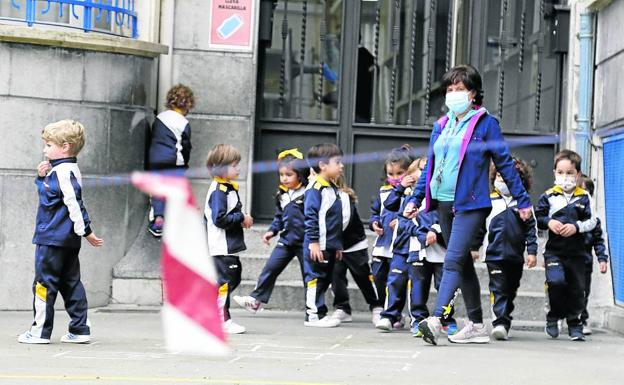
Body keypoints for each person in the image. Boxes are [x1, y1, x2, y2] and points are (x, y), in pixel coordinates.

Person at [404, 64, 533, 345]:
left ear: (473, 93)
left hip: (471, 204)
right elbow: (430, 166)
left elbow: (504, 164)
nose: (453, 94)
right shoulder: (442, 125)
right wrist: (417, 198)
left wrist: (523, 200)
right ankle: (475, 325)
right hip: (442, 202)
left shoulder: (486, 124)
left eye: (459, 89)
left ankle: (436, 320)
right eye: (449, 90)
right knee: (461, 264)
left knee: (452, 259)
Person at [19, 119, 104, 344]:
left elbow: (74, 203)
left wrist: (86, 231)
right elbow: (51, 197)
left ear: (64, 146)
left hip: (52, 238)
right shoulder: (63, 170)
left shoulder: (64, 172)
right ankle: (79, 329)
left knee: (43, 284)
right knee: (70, 282)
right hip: (65, 239)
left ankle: (39, 332)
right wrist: (41, 177)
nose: (44, 149)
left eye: (48, 145)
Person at [233, 149, 308, 314]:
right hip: (286, 241)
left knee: (309, 276)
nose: (284, 178)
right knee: (270, 268)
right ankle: (255, 300)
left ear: (300, 175)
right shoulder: (282, 194)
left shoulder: (309, 194)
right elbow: (279, 217)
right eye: (282, 175)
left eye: (289, 175)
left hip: (305, 243)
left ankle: (315, 309)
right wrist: (272, 231)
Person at [473, 157, 538, 341]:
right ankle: (499, 322)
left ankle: (505, 317)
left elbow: (531, 230)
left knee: (510, 289)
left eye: (508, 177)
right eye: (500, 176)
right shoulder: (489, 201)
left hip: (515, 257)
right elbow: (479, 227)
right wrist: (474, 247)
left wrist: (532, 252)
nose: (503, 180)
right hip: (493, 255)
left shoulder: (523, 205)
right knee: (498, 287)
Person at [535, 150, 597, 341]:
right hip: (554, 252)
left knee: (577, 289)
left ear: (578, 174)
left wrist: (576, 227)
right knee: (556, 282)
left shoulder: (585, 197)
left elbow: (593, 221)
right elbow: (538, 217)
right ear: (554, 173)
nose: (565, 177)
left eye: (570, 172)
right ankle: (553, 316)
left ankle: (574, 324)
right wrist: (549, 222)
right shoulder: (548, 196)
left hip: (577, 254)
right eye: (561, 172)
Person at [205, 144, 253, 334]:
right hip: (220, 245)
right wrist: (241, 218)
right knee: (225, 281)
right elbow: (220, 219)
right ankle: (221, 319)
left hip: (226, 245)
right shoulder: (219, 190)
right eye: (234, 165)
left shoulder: (226, 188)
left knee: (232, 278)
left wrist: (240, 219)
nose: (238, 169)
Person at [369, 145, 415, 322]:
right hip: (383, 244)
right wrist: (375, 223)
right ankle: (382, 307)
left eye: (399, 173)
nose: (395, 178)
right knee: (379, 278)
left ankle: (395, 314)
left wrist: (402, 221)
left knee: (398, 280)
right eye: (391, 174)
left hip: (402, 245)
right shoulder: (383, 192)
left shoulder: (412, 193)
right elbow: (375, 212)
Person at [375, 159, 422, 332]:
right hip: (401, 246)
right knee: (394, 280)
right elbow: (389, 204)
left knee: (416, 285)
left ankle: (416, 319)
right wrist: (401, 187)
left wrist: (403, 223)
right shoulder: (405, 192)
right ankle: (389, 315)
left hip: (418, 247)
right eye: (419, 170)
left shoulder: (429, 194)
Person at [330, 175, 383, 325]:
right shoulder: (317, 196)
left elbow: (344, 222)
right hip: (335, 246)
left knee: (363, 276)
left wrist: (332, 242)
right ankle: (342, 308)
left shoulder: (343, 197)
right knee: (336, 276)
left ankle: (377, 305)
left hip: (353, 244)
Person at [303, 143, 344, 327]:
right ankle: (313, 315)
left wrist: (337, 245)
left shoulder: (331, 187)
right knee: (315, 278)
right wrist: (313, 242)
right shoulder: (315, 188)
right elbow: (311, 216)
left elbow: (334, 220)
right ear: (322, 165)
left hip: (329, 244)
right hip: (317, 244)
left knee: (325, 278)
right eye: (338, 162)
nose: (341, 166)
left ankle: (320, 312)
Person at [147, 84, 195, 237]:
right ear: (187, 104)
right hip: (175, 163)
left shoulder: (160, 118)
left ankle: (159, 219)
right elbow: (186, 146)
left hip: (155, 160)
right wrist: (186, 162)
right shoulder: (183, 123)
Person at [578, 174, 609, 335]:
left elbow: (598, 240)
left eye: (586, 192)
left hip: (584, 261)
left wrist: (602, 258)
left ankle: (581, 319)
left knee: (583, 290)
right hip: (566, 257)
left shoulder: (594, 219)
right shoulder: (567, 214)